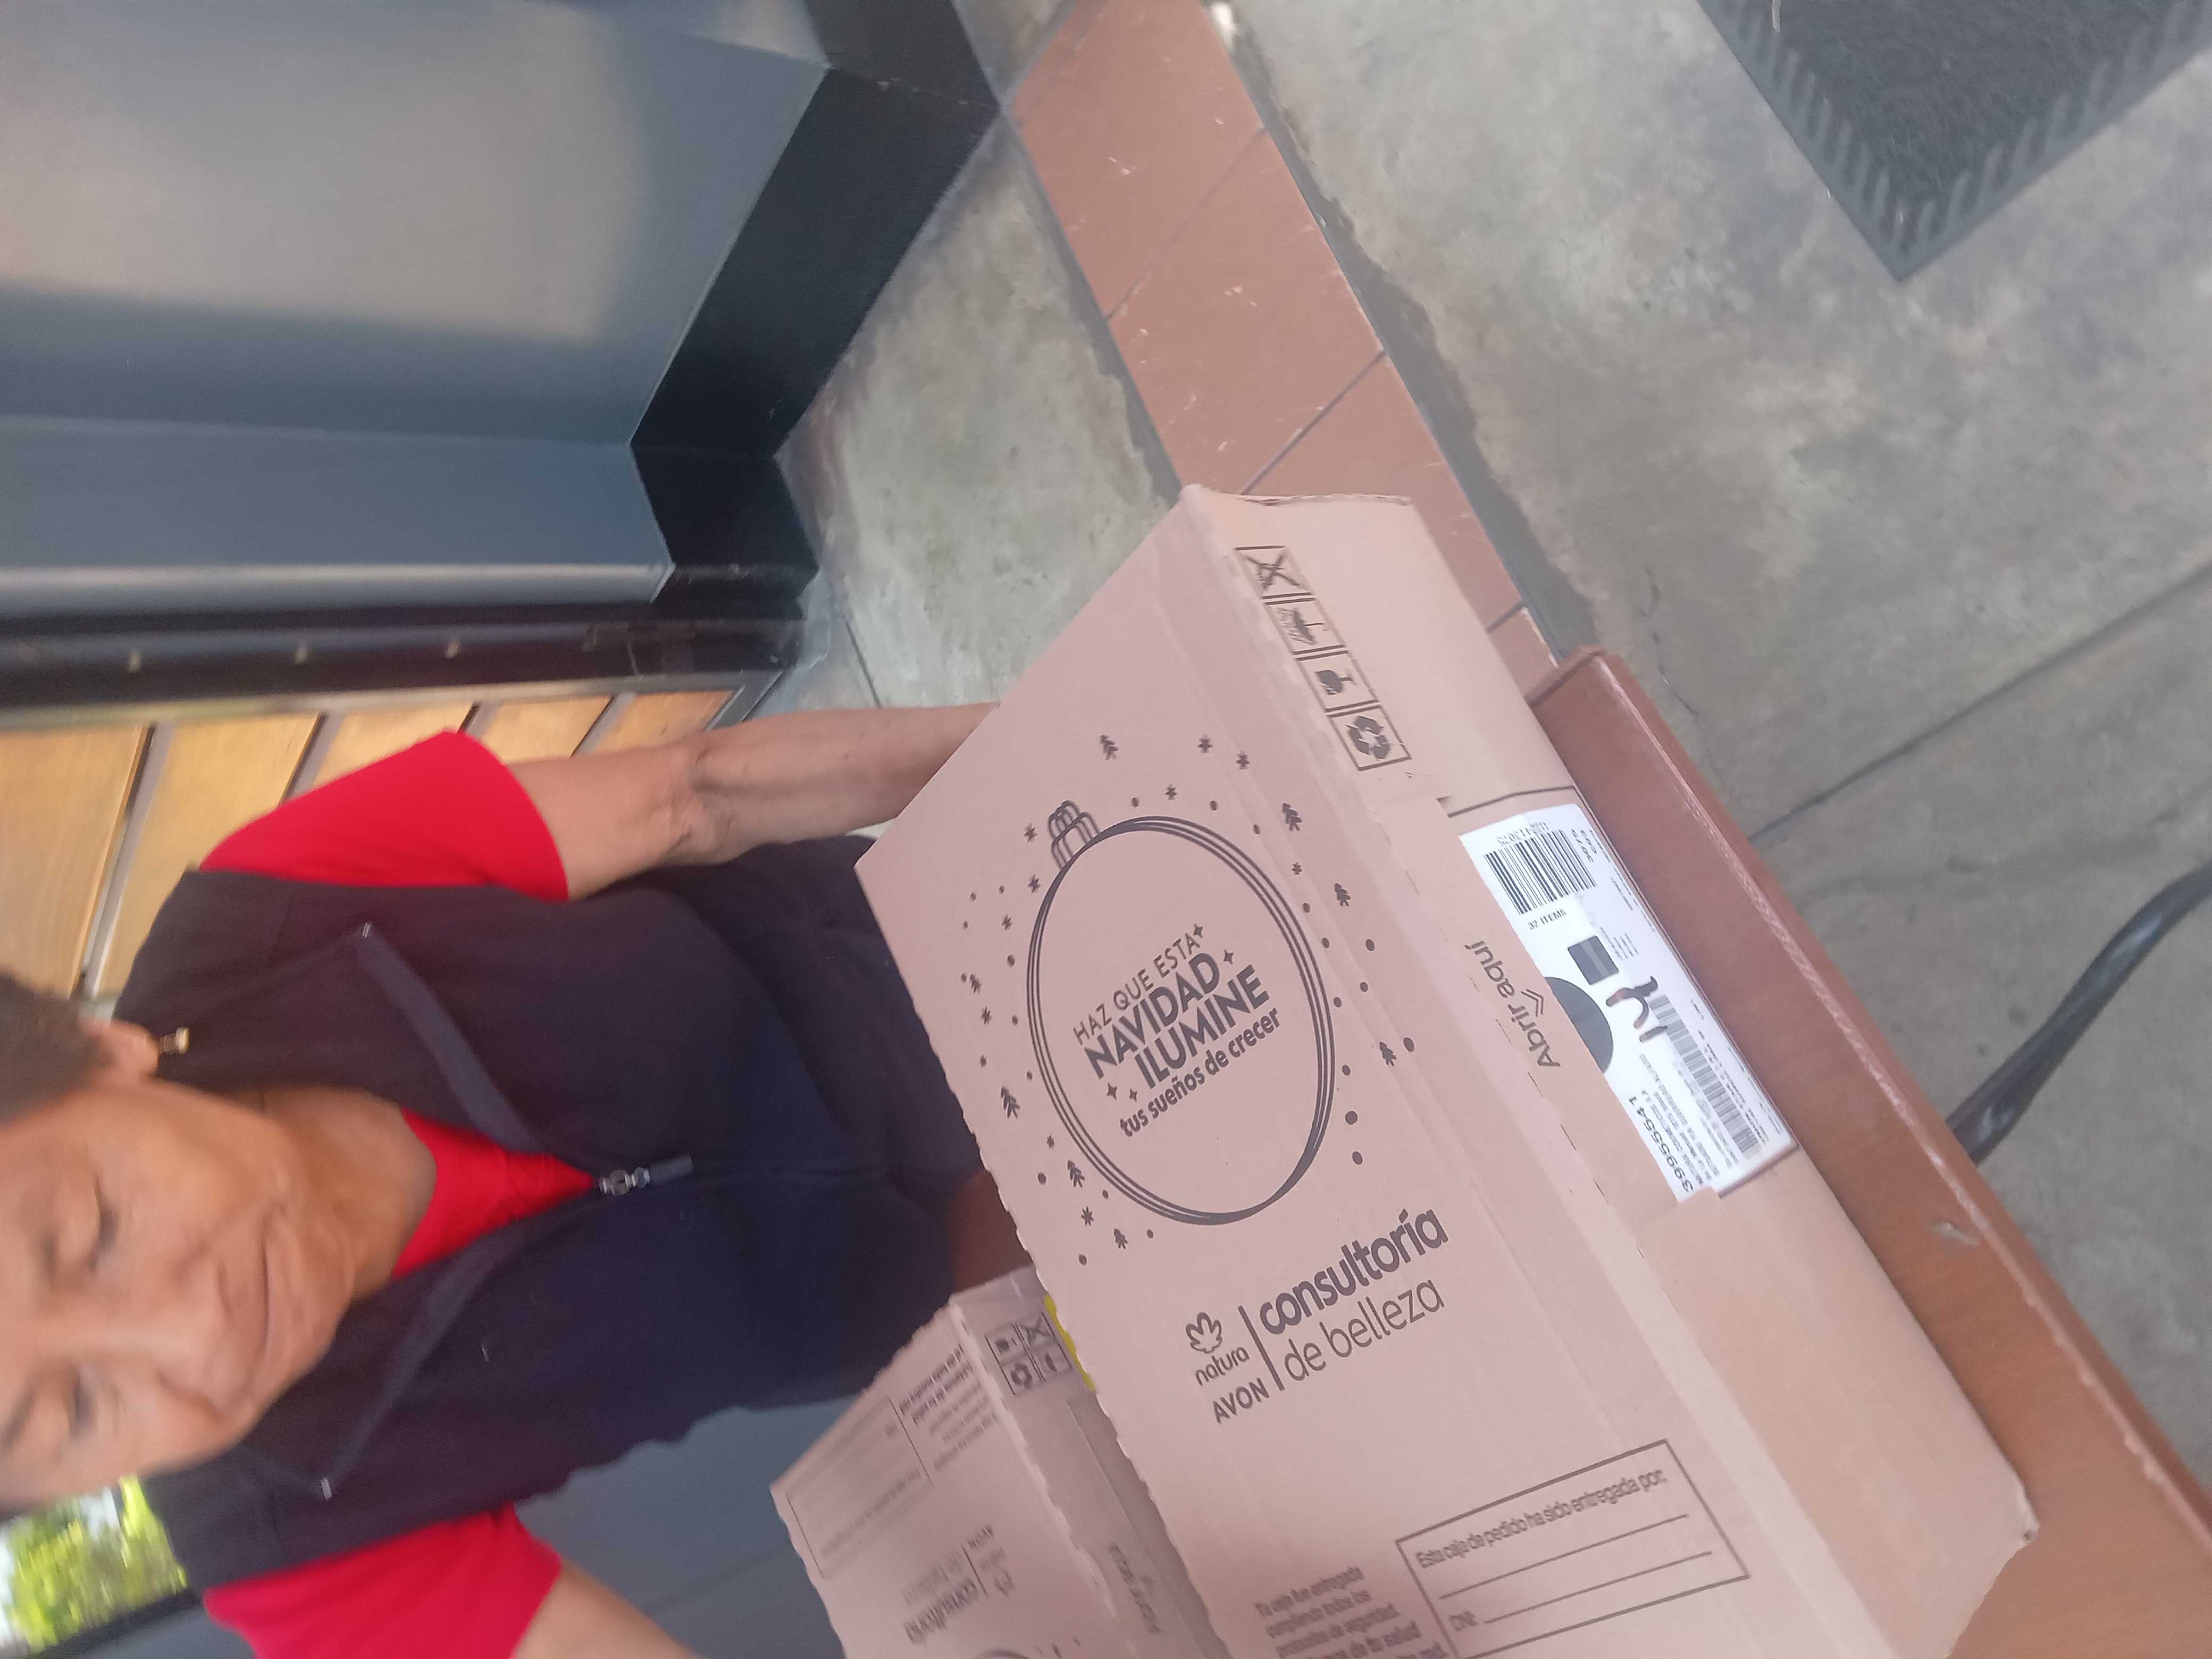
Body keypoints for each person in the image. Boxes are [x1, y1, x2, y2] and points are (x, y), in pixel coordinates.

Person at [0, 706, 1023, 1656]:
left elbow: (700, 793)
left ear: (105, 1053)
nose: (195, 1336)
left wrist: (1050, 731)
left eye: (95, 1229)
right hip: (956, 1278)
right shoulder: (286, 1548)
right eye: (78, 1411)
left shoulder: (261, 914)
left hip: (955, 943)